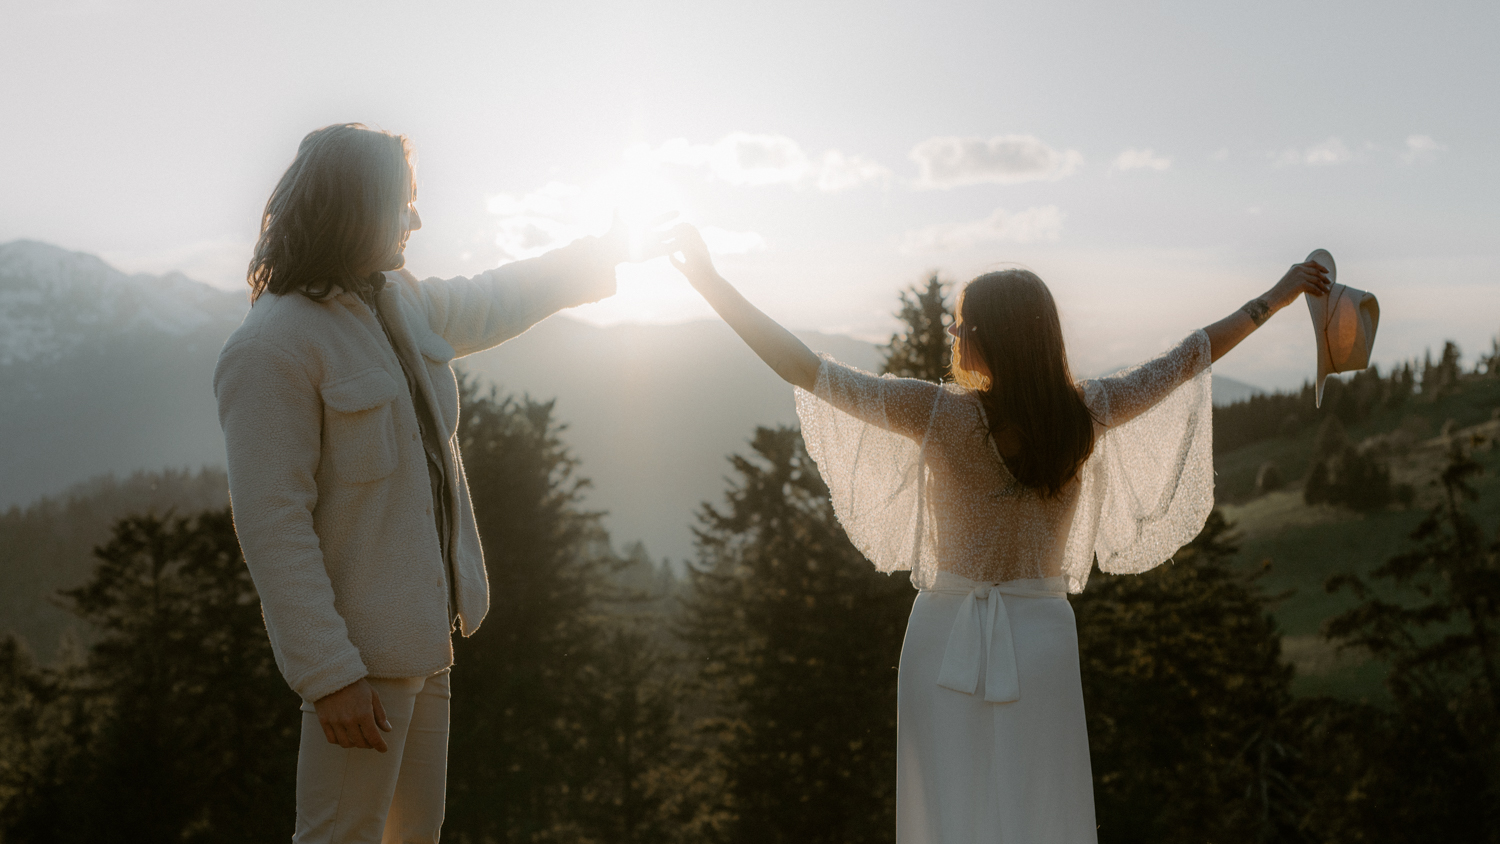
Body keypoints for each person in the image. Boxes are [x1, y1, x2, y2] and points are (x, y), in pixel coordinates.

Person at [663, 224, 1329, 841]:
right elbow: (1192, 356)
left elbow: (802, 368)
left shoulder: (932, 412)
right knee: (1041, 807)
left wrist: (712, 284)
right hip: (1041, 638)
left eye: (959, 323)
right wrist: (1280, 293)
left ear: (987, 335)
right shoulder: (1088, 411)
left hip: (943, 634)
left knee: (948, 809)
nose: (952, 333)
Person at [213, 123, 667, 843]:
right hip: (357, 663)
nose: (417, 220)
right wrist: (329, 674)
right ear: (355, 206)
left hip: (425, 644)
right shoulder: (272, 347)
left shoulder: (398, 299)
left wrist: (602, 254)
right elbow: (273, 527)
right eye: (404, 204)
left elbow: (495, 297)